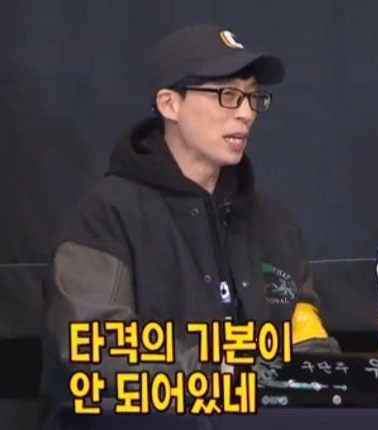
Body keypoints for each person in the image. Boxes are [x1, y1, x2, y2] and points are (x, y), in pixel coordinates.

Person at [40, 23, 339, 428]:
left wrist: (325, 380)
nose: (246, 113)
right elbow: (96, 348)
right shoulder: (106, 215)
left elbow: (307, 341)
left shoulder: (273, 221)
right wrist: (220, 374)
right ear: (169, 104)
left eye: (253, 97)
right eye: (227, 95)